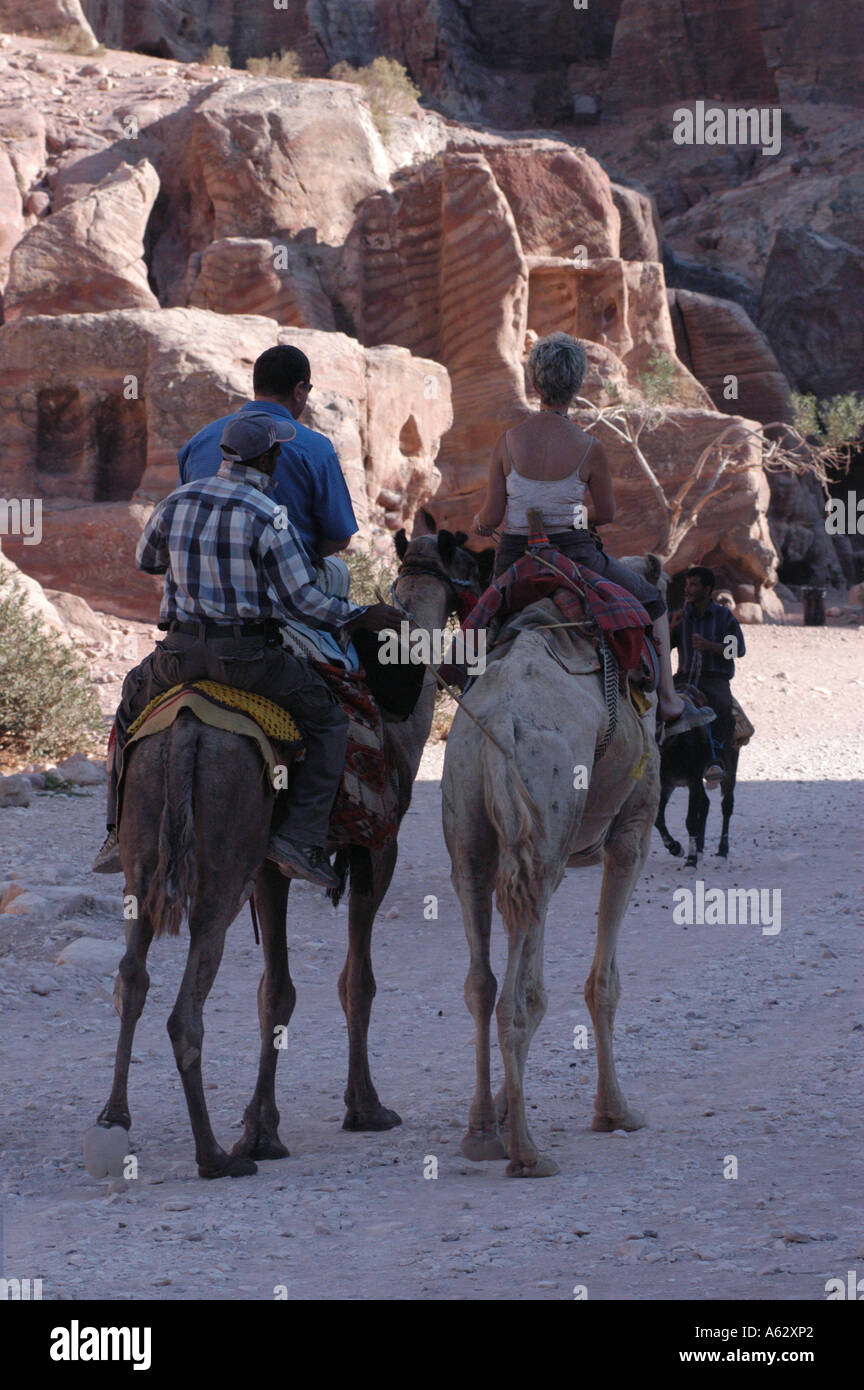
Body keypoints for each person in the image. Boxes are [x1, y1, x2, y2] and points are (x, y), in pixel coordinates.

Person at [93, 412, 402, 887]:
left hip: (176, 656)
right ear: (269, 456)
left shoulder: (178, 499)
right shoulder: (267, 513)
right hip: (248, 660)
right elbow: (302, 600)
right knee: (328, 720)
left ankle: (117, 831)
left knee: (127, 709)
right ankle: (299, 839)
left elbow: (146, 560)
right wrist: (359, 614)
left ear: (226, 454)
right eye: (276, 451)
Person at [472, 331, 713, 736]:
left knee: (480, 622)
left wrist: (480, 523)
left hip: (515, 560)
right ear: (578, 385)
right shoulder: (589, 447)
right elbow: (608, 513)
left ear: (534, 383)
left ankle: (466, 696)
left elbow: (493, 516)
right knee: (653, 600)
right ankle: (669, 703)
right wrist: (572, 517)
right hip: (575, 558)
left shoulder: (507, 442)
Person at [178, 344, 356, 563]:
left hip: (203, 579)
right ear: (299, 391)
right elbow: (339, 538)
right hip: (280, 580)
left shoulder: (199, 441)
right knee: (337, 569)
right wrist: (299, 557)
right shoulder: (315, 448)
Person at [672, 566, 746, 786]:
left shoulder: (724, 617)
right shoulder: (681, 616)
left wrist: (710, 647)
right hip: (684, 678)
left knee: (722, 707)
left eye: (693, 585)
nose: (688, 589)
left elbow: (738, 650)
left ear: (708, 589)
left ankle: (717, 759)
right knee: (660, 705)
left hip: (714, 678)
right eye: (687, 585)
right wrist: (669, 626)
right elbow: (661, 646)